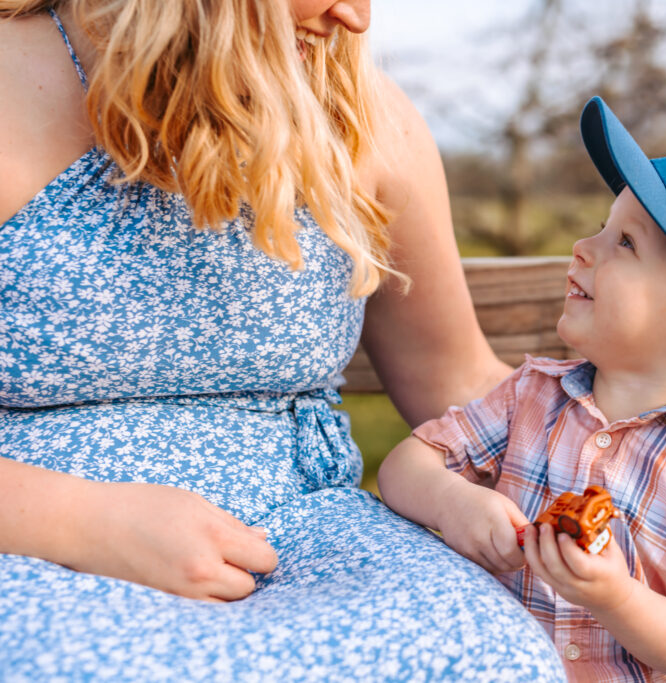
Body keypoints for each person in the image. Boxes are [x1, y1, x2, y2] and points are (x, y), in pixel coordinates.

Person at [0, 1, 567, 679]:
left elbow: (455, 381)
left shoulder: (362, 116)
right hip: (35, 545)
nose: (353, 17)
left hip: (312, 543)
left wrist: (638, 437)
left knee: (494, 660)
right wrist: (85, 523)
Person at [376, 96, 666, 682]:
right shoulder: (531, 397)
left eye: (625, 243)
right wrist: (454, 502)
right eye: (603, 227)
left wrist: (617, 598)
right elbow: (405, 467)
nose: (583, 247)